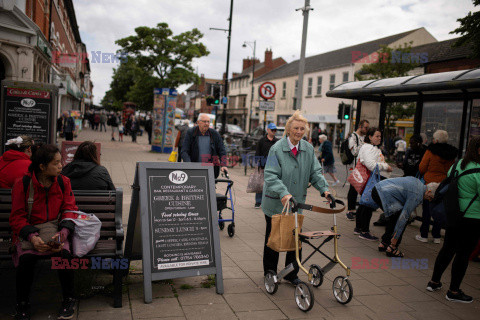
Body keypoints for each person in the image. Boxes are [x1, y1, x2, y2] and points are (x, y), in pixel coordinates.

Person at [262, 111, 331, 285]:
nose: (298, 132)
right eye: (295, 128)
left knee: (295, 238)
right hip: (276, 203)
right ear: (288, 129)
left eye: (302, 129)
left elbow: (315, 172)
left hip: (297, 202)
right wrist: (283, 193)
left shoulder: (307, 148)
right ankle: (270, 271)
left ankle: (291, 274)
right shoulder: (276, 149)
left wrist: (325, 190)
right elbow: (270, 175)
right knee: (274, 238)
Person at [9, 144, 78, 320]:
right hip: (30, 231)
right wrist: (32, 238)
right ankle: (22, 303)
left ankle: (69, 299)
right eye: (56, 163)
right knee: (26, 259)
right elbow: (17, 217)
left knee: (64, 256)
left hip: (56, 228)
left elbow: (69, 209)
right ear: (42, 166)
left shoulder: (63, 182)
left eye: (60, 162)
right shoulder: (23, 184)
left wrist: (62, 234)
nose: (61, 166)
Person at [426, 136, 480, 303]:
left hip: (453, 214)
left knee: (447, 248)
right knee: (463, 254)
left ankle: (434, 282)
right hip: (472, 217)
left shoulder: (457, 165)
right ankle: (454, 291)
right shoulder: (478, 170)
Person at [372, 177, 438, 257]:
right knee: (400, 219)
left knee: (394, 217)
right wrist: (396, 239)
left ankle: (385, 243)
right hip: (383, 193)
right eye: (430, 198)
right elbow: (404, 217)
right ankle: (392, 247)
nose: (429, 200)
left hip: (378, 188)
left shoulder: (418, 183)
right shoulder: (417, 195)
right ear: (429, 191)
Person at [416, 130, 457, 244]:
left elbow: (422, 168)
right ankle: (437, 236)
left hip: (429, 183)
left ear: (436, 140)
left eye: (434, 138)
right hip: (443, 185)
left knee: (427, 211)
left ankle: (424, 235)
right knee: (439, 210)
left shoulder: (430, 151)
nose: (432, 140)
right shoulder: (451, 154)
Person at [355, 127, 392, 241]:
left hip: (370, 179)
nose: (379, 138)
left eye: (380, 136)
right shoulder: (369, 148)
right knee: (368, 204)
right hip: (372, 179)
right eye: (377, 136)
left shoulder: (370, 147)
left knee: (364, 203)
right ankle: (364, 231)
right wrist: (386, 166)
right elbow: (371, 165)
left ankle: (359, 228)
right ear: (370, 137)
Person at [181, 113, 228, 178]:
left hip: (211, 170)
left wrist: (224, 164)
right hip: (194, 169)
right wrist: (189, 164)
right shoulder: (191, 133)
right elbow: (184, 151)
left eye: (208, 122)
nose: (206, 123)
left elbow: (222, 150)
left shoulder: (214, 134)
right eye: (204, 121)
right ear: (198, 122)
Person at [346, 120, 370, 221]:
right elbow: (354, 152)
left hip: (363, 167)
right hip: (355, 167)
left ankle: (355, 210)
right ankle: (350, 210)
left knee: (360, 188)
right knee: (353, 189)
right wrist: (364, 145)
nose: (367, 130)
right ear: (360, 126)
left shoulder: (364, 137)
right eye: (365, 128)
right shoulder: (353, 137)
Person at [254, 122, 279, 209]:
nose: (274, 132)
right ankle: (258, 202)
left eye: (275, 130)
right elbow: (258, 151)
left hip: (274, 166)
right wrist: (257, 162)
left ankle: (270, 202)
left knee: (272, 184)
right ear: (268, 130)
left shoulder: (277, 142)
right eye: (272, 130)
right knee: (260, 184)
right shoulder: (262, 141)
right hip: (263, 165)